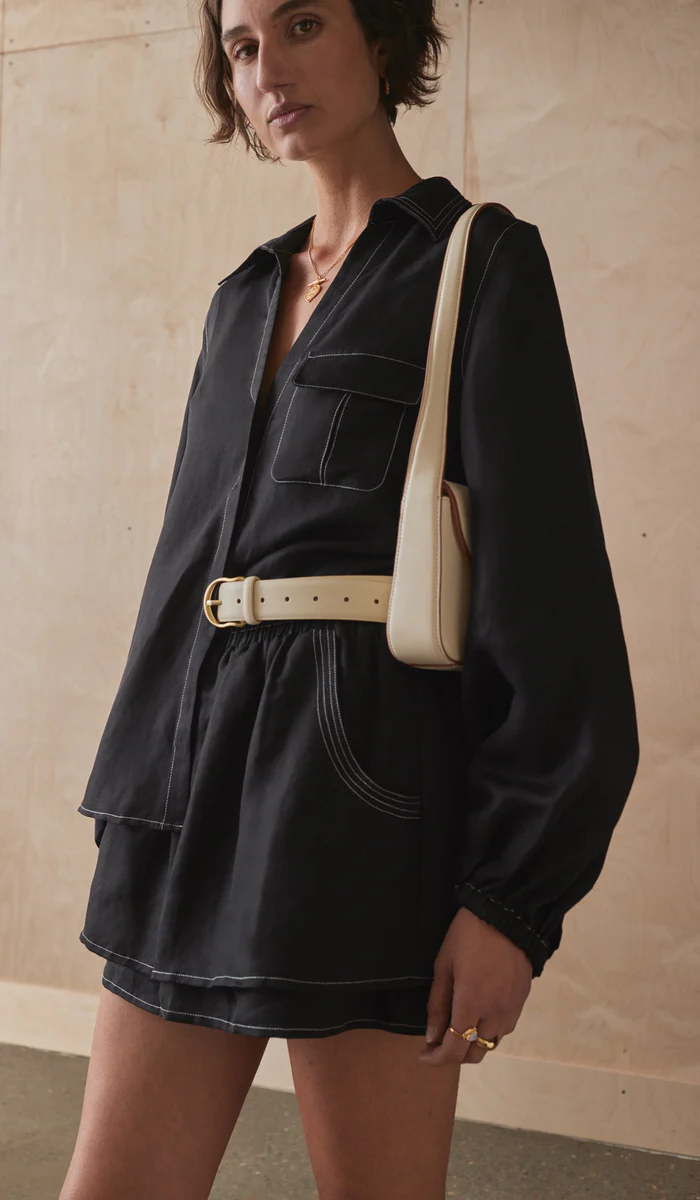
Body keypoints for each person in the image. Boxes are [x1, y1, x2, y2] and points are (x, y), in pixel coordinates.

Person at [59, 0, 639, 1195]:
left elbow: (551, 602)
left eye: (302, 23)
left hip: (365, 797)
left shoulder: (477, 261)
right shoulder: (242, 295)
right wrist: (134, 802)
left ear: (380, 37)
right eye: (240, 46)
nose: (267, 68)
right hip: (191, 797)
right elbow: (183, 576)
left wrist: (509, 903)